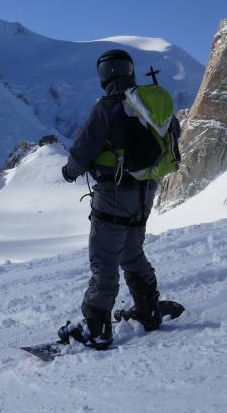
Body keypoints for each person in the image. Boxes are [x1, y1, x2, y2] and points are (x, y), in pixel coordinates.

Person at [59, 48, 162, 349]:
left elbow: (82, 150)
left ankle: (97, 326)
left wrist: (69, 172)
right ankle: (149, 310)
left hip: (114, 191)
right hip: (146, 189)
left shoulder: (107, 107)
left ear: (104, 76)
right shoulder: (151, 104)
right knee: (132, 252)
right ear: (130, 70)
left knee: (104, 258)